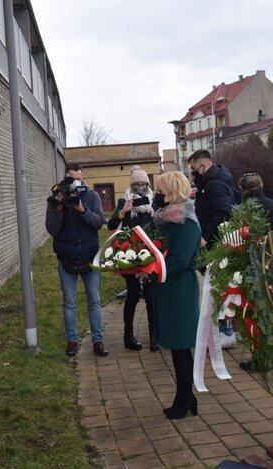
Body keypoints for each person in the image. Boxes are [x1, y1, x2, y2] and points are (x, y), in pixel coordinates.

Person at [152, 171, 202, 420]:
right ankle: (184, 396)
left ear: (172, 192)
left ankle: (185, 398)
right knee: (176, 347)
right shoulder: (169, 218)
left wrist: (153, 271)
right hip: (169, 288)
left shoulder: (186, 221)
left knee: (181, 347)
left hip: (179, 290)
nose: (157, 194)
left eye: (161, 190)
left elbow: (180, 260)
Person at [46, 164, 109, 357]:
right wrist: (59, 207)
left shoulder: (92, 196)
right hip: (67, 256)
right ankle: (72, 341)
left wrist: (82, 210)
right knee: (69, 302)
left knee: (94, 300)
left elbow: (98, 223)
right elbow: (52, 229)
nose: (77, 183)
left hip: (90, 256)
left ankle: (97, 341)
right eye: (73, 179)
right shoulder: (56, 198)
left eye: (80, 179)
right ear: (65, 179)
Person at [187, 149, 240, 348]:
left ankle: (226, 331)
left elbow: (223, 211)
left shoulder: (214, 185)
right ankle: (225, 328)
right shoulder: (215, 182)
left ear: (202, 166)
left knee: (220, 288)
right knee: (221, 287)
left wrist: (206, 237)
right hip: (218, 243)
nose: (193, 173)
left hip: (217, 245)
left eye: (194, 169)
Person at [236, 172, 273, 372]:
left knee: (258, 312)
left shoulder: (244, 210)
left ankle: (261, 358)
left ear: (243, 190)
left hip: (255, 267)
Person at [107, 166, 159, 352]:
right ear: (131, 185)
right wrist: (123, 212)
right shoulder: (124, 200)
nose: (140, 187)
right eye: (136, 184)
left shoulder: (154, 201)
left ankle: (154, 335)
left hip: (151, 254)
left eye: (144, 184)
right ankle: (128, 335)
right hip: (130, 254)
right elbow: (111, 225)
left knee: (152, 296)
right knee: (133, 295)